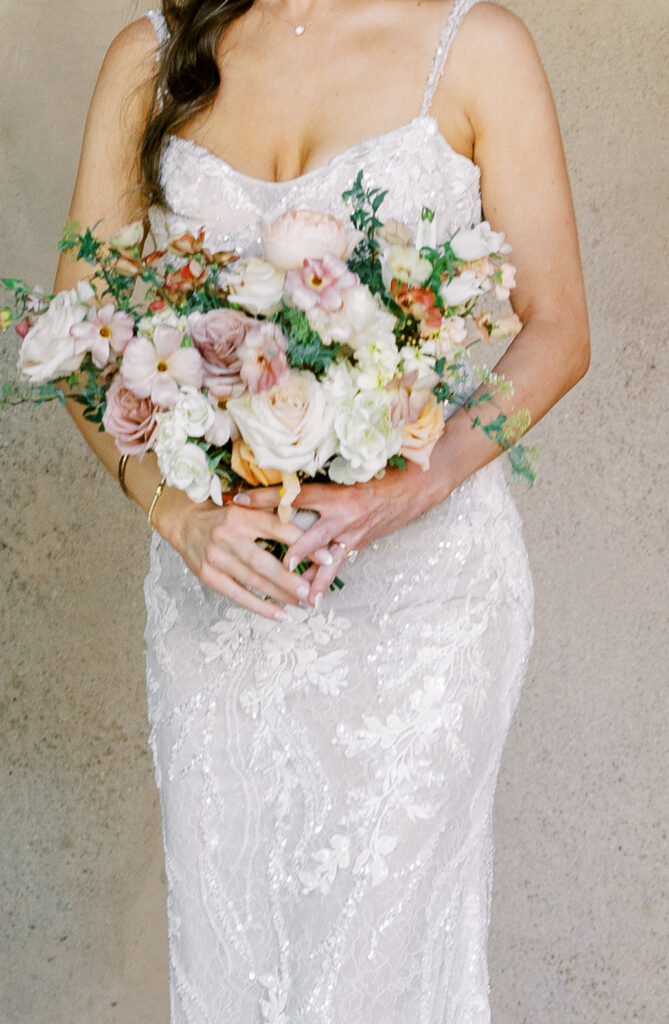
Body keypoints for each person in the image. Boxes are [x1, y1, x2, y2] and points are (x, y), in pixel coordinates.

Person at [54, 0, 589, 1019]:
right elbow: (79, 332)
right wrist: (174, 512)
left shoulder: (473, 48)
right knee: (233, 957)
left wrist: (417, 483)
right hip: (223, 603)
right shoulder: (153, 55)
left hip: (424, 616)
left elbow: (558, 326)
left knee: (375, 970)